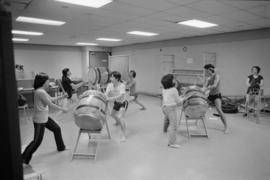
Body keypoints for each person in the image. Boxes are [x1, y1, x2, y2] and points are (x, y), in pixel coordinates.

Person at [22, 73, 69, 165]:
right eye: (48, 81)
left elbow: (51, 99)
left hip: (45, 117)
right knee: (37, 141)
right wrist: (62, 109)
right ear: (43, 82)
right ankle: (23, 157)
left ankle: (61, 147)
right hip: (40, 120)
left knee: (56, 129)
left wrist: (62, 96)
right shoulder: (40, 92)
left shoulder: (41, 91)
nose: (49, 83)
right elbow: (50, 104)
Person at [161, 74, 185, 148]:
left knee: (167, 118)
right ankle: (172, 143)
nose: (175, 80)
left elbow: (171, 97)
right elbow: (178, 102)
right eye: (174, 79)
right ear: (171, 82)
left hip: (164, 108)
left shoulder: (164, 89)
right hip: (171, 109)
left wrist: (180, 97)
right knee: (173, 126)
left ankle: (164, 130)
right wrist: (184, 99)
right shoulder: (174, 90)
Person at [203, 64, 228, 133]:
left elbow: (214, 85)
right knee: (202, 106)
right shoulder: (208, 78)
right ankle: (201, 119)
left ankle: (226, 126)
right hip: (210, 96)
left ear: (209, 70)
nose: (205, 72)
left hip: (217, 95)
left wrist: (206, 88)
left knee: (219, 110)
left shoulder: (217, 76)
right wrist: (202, 89)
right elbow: (204, 87)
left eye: (206, 70)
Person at [105, 71, 128, 142]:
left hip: (122, 103)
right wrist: (105, 97)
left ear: (117, 78)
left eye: (112, 77)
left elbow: (121, 95)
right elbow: (106, 93)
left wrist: (110, 99)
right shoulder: (109, 85)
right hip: (116, 103)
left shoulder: (122, 85)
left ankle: (124, 135)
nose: (110, 78)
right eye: (110, 76)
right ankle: (118, 122)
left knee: (121, 117)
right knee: (112, 114)